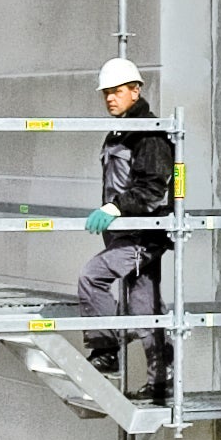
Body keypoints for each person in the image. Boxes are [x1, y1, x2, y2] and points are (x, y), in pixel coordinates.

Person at [77, 59, 175, 405]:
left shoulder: (149, 133)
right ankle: (161, 383)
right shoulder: (120, 130)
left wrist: (116, 207)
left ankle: (106, 351)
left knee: (92, 277)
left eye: (117, 91)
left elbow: (152, 188)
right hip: (125, 233)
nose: (110, 99)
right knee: (145, 309)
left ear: (136, 90)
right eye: (106, 93)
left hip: (141, 235)